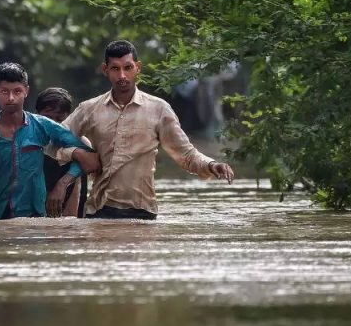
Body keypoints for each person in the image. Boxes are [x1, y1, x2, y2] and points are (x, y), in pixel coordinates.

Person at [57, 40, 235, 220]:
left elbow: (186, 154)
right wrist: (78, 154)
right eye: (115, 69)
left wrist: (211, 165)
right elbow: (54, 140)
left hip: (143, 212)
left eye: (128, 67)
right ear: (105, 70)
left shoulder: (159, 109)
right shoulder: (89, 109)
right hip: (99, 210)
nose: (122, 76)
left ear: (138, 68)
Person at [0, 62, 94, 221]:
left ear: (26, 91)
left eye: (17, 91)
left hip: (36, 218)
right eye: (5, 91)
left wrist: (63, 184)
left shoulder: (42, 126)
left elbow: (88, 155)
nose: (11, 98)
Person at [35, 87, 87, 217]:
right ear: (37, 115)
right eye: (47, 118)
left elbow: (77, 189)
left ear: (68, 118)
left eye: (59, 120)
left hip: (68, 209)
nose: (53, 124)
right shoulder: (29, 140)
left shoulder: (79, 142)